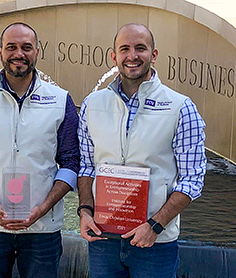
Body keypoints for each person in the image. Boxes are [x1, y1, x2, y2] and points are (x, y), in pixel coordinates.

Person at [0, 22, 80, 278]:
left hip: (43, 228)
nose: (18, 54)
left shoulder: (60, 100)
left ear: (37, 52)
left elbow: (72, 162)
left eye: (26, 47)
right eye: (11, 47)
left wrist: (44, 207)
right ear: (0, 51)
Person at [77, 23, 207, 277]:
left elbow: (192, 180)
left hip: (154, 242)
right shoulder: (92, 105)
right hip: (103, 239)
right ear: (114, 57)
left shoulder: (180, 107)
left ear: (154, 55)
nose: (132, 56)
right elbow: (86, 166)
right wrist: (85, 211)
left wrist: (155, 225)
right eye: (124, 49)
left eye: (140, 48)